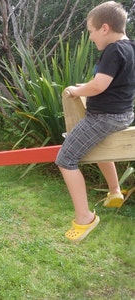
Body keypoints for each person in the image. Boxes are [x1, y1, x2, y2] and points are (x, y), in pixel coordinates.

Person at [56, 1, 135, 242]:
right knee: (98, 148)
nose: (90, 37)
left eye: (90, 31)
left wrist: (75, 90)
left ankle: (85, 218)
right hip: (123, 114)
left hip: (104, 117)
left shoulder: (112, 50)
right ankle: (114, 191)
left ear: (104, 28)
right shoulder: (130, 48)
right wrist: (84, 86)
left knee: (65, 159)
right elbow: (112, 84)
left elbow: (99, 85)